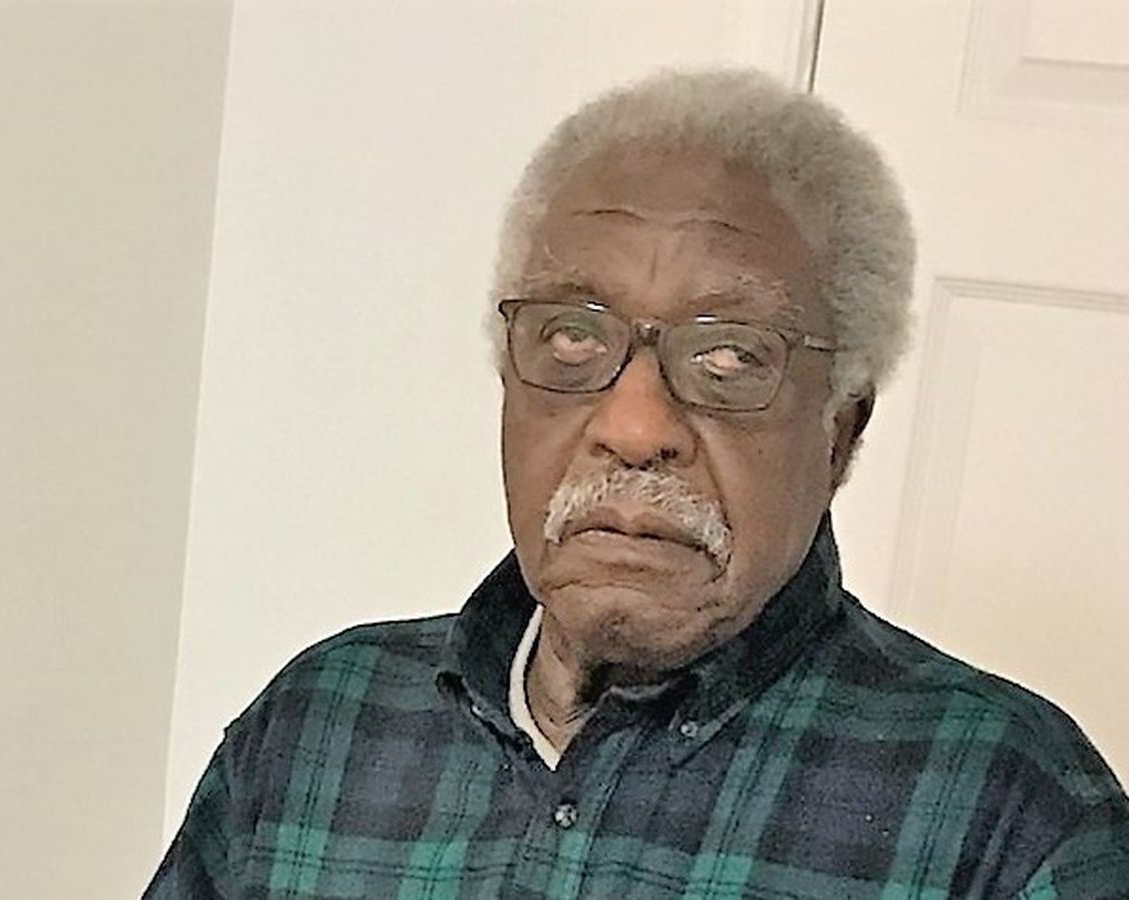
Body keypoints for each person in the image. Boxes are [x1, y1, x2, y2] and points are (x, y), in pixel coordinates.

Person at [146, 69, 1129, 898]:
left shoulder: (1012, 813)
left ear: (841, 431)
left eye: (732, 357)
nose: (634, 426)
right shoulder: (319, 727)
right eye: (572, 338)